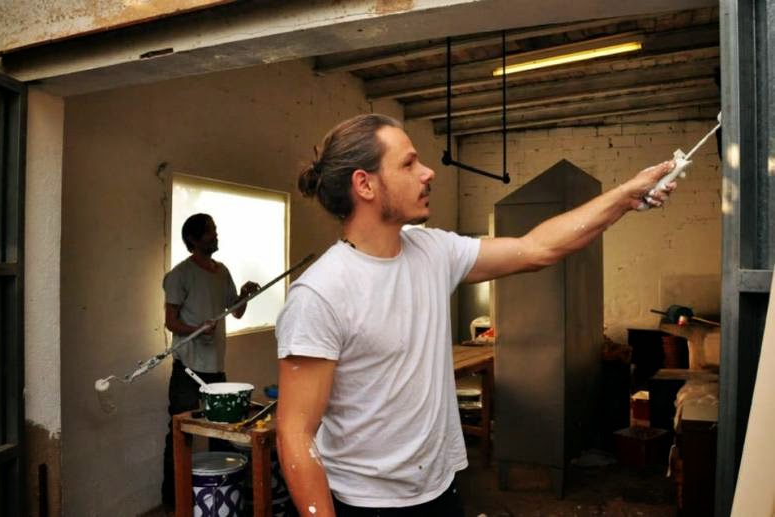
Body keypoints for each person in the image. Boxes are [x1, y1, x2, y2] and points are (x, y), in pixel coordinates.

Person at [275, 114, 675, 516]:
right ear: (365, 185)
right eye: (409, 163)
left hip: (440, 490)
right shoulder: (321, 293)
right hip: (363, 504)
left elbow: (537, 248)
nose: (428, 172)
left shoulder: (432, 251)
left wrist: (624, 197)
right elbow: (295, 434)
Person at [161, 213, 259, 508]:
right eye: (209, 232)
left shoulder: (222, 271)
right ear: (193, 238)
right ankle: (174, 503)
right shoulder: (180, 275)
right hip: (188, 371)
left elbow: (236, 311)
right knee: (180, 434)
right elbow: (170, 322)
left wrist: (244, 295)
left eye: (214, 231)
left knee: (221, 432)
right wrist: (196, 329)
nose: (215, 236)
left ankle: (221, 501)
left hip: (216, 370)